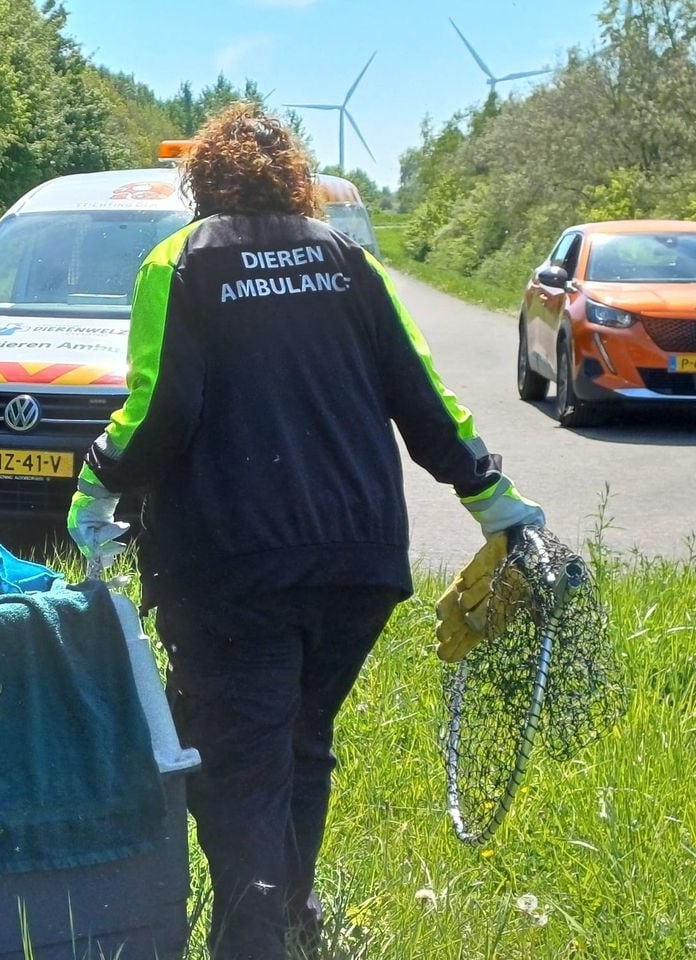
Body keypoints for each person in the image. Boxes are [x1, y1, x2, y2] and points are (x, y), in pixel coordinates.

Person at [67, 106, 544, 960]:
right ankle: (295, 920)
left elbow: (159, 409)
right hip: (358, 564)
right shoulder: (350, 260)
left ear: (201, 182)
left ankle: (255, 943)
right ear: (298, 181)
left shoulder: (179, 262)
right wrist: (495, 501)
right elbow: (425, 399)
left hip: (231, 567)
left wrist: (98, 482)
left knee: (240, 764)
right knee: (299, 740)